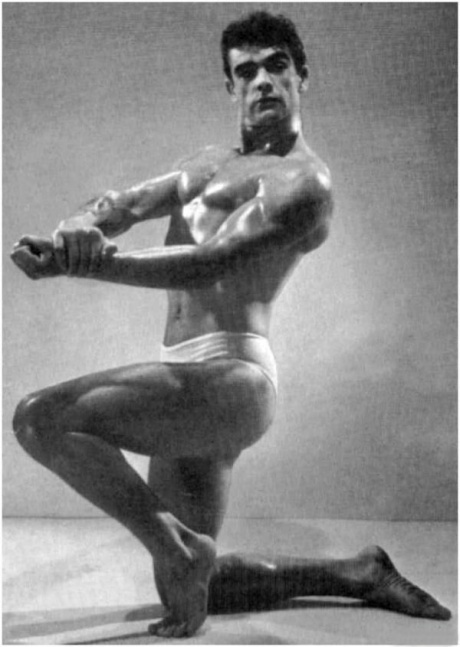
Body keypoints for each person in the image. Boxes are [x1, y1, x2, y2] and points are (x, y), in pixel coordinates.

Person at [11, 11, 450, 639]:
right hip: (183, 373)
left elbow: (209, 263)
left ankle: (178, 546)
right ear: (230, 86)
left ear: (302, 76)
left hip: (234, 376)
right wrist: (77, 228)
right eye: (246, 71)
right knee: (196, 586)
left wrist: (83, 265)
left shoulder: (304, 182)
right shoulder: (203, 165)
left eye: (277, 66)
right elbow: (121, 204)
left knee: (40, 418)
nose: (262, 81)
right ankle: (357, 572)